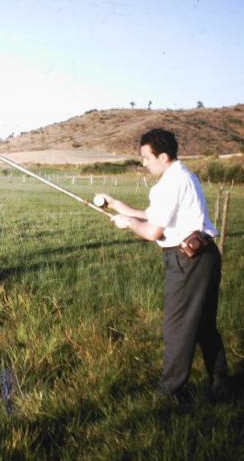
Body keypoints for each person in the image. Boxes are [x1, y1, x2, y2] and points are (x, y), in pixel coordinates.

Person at [96, 128, 228, 401]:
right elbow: (153, 215)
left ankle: (171, 392)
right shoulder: (181, 175)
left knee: (177, 327)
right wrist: (117, 205)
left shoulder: (171, 183)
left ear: (163, 157)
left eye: (146, 158)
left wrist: (128, 223)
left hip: (188, 261)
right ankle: (220, 385)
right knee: (203, 325)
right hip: (204, 257)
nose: (144, 163)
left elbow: (152, 231)